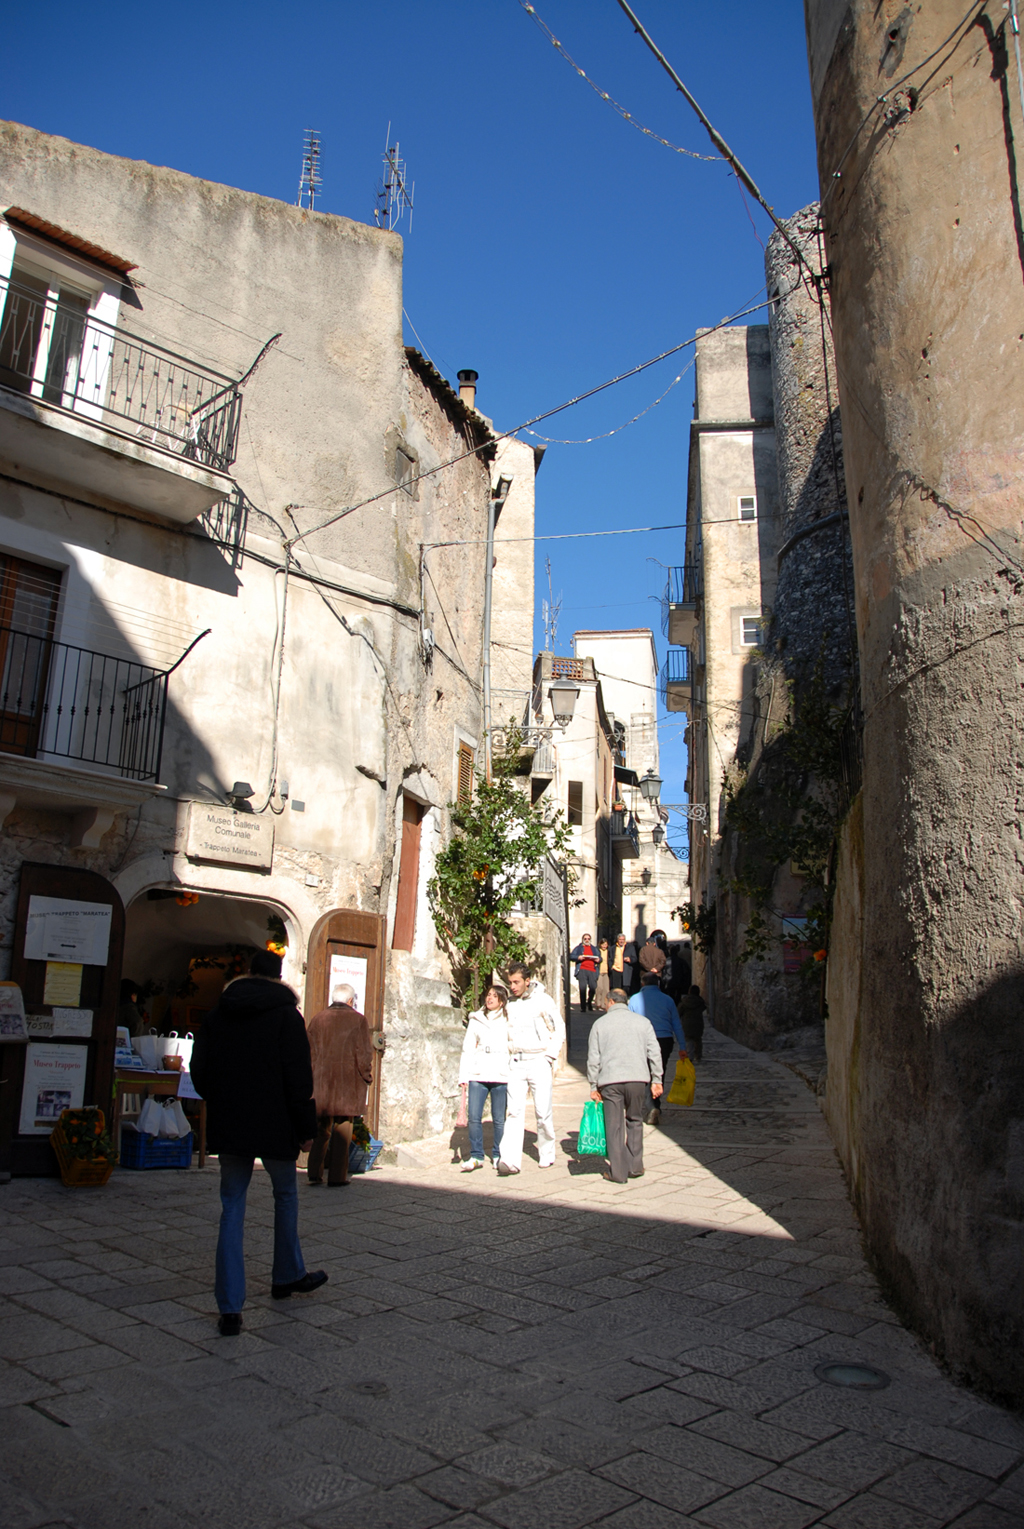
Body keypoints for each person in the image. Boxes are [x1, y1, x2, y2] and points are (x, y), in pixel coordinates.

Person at [190, 950, 326, 1337]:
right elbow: (298, 1077)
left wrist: (220, 1099)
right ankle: (286, 1274)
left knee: (231, 1207)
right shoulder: (287, 1016)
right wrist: (305, 1126)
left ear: (247, 975)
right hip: (276, 1122)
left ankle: (230, 1308)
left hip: (231, 1123)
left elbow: (199, 1070)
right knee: (285, 1193)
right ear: (278, 978)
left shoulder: (218, 1015)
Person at [587, 986, 664, 1183]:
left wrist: (593, 1085)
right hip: (638, 1079)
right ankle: (635, 1166)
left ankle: (618, 1172)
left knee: (614, 1126)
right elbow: (654, 1052)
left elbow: (594, 1058)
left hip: (610, 1081)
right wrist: (657, 1079)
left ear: (610, 1001)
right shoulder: (643, 1022)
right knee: (635, 1120)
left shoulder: (599, 1024)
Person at [498, 961, 565, 1175]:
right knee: (514, 1111)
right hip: (516, 1061)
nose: (513, 986)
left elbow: (559, 1028)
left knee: (542, 1111)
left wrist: (549, 1056)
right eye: (510, 983)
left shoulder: (543, 1001)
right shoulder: (510, 1004)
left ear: (527, 981)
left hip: (538, 1060)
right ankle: (509, 1159)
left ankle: (547, 1153)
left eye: (517, 982)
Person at [305, 982, 374, 1187]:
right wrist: (367, 1076)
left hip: (321, 1083)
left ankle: (314, 1173)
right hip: (347, 1084)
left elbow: (309, 1053)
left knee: (320, 1129)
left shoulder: (318, 1020)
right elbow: (363, 1054)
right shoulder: (358, 1020)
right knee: (343, 1129)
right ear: (351, 1000)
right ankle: (337, 1176)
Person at [458, 983, 510, 1170]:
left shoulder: (509, 1020)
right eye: (488, 995)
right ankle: (476, 1155)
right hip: (478, 1073)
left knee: (498, 1118)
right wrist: (463, 1075)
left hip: (500, 1074)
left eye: (494, 996)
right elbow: (467, 1048)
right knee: (474, 1116)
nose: (489, 999)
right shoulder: (476, 1019)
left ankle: (498, 1153)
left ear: (502, 1001)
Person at [629, 971, 687, 1125]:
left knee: (643, 1073)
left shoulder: (634, 1000)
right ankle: (655, 1104)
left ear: (642, 983)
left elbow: (628, 1024)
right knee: (659, 1072)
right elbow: (676, 1024)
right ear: (658, 984)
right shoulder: (668, 1000)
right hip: (664, 1039)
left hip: (642, 1039)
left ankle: (650, 1105)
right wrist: (682, 1046)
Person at [678, 983, 708, 1064]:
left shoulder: (684, 1002)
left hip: (687, 1023)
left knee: (688, 1040)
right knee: (697, 1040)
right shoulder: (700, 1001)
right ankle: (698, 1056)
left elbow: (679, 1012)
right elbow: (704, 1008)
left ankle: (690, 1056)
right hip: (698, 1023)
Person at [569, 934, 599, 1012]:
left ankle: (589, 1002)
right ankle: (583, 1007)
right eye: (585, 938)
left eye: (588, 938)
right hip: (582, 969)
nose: (587, 940)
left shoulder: (594, 949)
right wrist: (578, 957)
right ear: (582, 939)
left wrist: (598, 960)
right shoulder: (578, 948)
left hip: (592, 970)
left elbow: (600, 958)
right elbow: (571, 956)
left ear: (590, 940)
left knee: (593, 987)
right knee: (582, 988)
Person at [594, 938, 611, 1011]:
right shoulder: (598, 951)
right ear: (600, 944)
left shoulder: (609, 952)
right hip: (599, 972)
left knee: (606, 989)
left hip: (606, 972)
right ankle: (598, 1003)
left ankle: (604, 1004)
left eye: (606, 944)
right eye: (603, 944)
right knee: (599, 988)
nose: (604, 946)